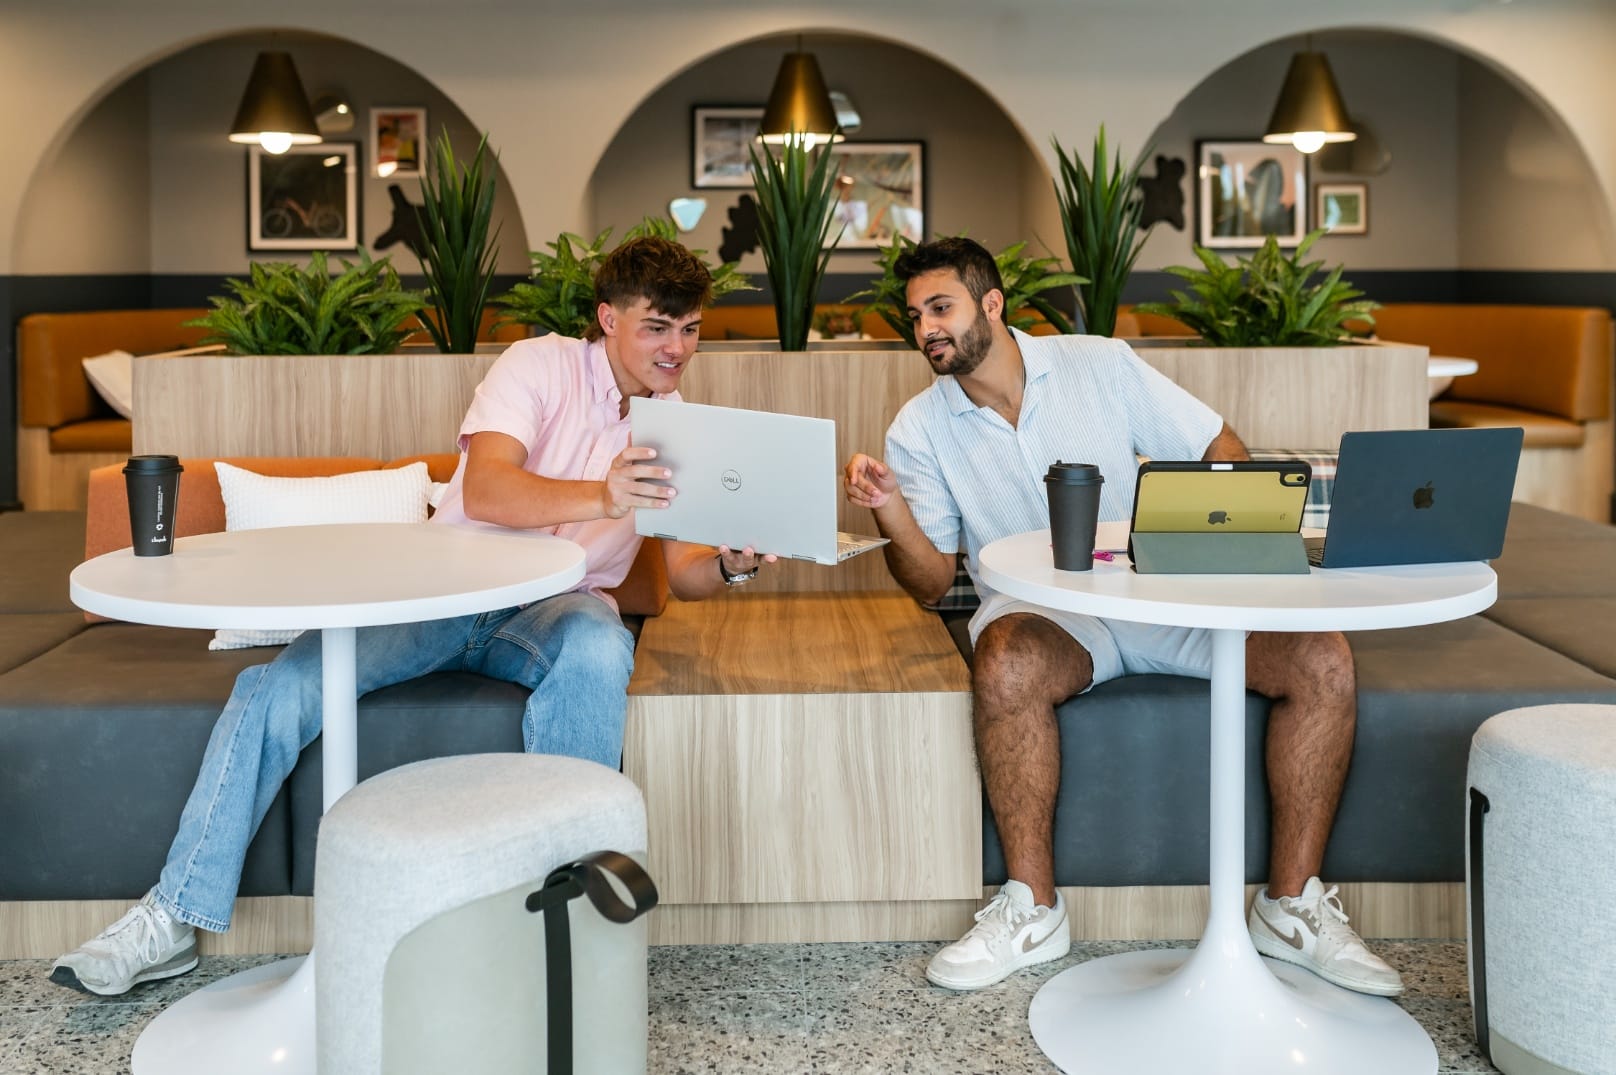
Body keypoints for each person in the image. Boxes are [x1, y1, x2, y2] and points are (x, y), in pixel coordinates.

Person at [52, 236, 773, 997]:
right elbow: (491, 489)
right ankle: (172, 915)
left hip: (560, 609)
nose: (677, 348)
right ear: (608, 318)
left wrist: (729, 563)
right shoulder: (539, 364)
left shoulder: (679, 421)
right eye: (659, 326)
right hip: (451, 587)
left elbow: (687, 571)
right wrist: (604, 494)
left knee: (599, 650)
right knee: (281, 683)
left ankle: (557, 927)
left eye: (690, 328)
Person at [843, 236, 1400, 997]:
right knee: (1002, 659)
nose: (927, 329)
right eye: (915, 317)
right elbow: (932, 579)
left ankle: (1291, 904)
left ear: (993, 303)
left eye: (941, 307)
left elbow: (1216, 445)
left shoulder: (1098, 364)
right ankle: (1032, 911)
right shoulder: (918, 428)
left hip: (1160, 593)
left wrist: (1223, 548)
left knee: (1323, 656)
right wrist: (891, 511)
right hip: (1049, 620)